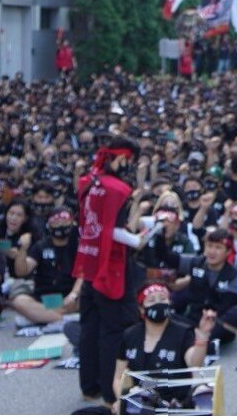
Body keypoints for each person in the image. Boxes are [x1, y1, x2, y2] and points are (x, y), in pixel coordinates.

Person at [72, 137, 150, 410]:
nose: (129, 165)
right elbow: (114, 230)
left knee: (90, 327)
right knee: (113, 330)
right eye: (129, 160)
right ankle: (110, 393)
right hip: (111, 266)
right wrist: (140, 239)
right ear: (121, 157)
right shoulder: (117, 188)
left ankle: (89, 386)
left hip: (89, 261)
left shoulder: (88, 182)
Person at [113, 283, 216, 414]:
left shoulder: (182, 332)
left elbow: (195, 364)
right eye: (152, 300)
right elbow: (118, 377)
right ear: (141, 309)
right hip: (141, 402)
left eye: (163, 299)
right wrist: (121, 400)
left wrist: (202, 337)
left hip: (177, 404)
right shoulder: (130, 335)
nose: (158, 303)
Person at [9, 208, 81, 334]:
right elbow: (22, 271)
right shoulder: (40, 246)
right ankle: (64, 320)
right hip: (46, 299)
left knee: (90, 298)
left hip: (71, 297)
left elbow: (83, 273)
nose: (60, 225)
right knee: (19, 301)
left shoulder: (79, 245)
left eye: (64, 221)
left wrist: (73, 294)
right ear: (49, 225)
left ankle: (42, 317)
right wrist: (23, 249)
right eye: (56, 222)